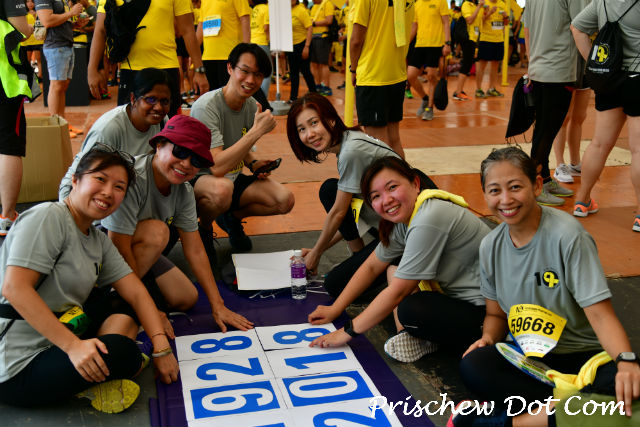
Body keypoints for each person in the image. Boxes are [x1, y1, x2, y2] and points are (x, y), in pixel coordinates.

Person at [456, 146, 640, 426]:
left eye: (515, 187)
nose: (505, 199)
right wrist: (489, 339)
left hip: (586, 359)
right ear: (485, 195)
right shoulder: (490, 246)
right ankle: (569, 412)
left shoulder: (568, 236)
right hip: (534, 362)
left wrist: (625, 361)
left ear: (537, 185)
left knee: (627, 387)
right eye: (494, 190)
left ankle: (516, 420)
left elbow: (600, 315)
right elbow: (495, 314)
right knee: (475, 365)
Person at [0, 146, 180, 411]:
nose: (108, 192)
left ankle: (91, 369)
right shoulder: (48, 217)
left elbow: (135, 292)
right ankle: (90, 373)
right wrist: (74, 347)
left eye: (119, 187)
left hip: (58, 333)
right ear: (75, 180)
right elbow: (15, 288)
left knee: (128, 304)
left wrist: (161, 346)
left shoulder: (97, 239)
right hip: (17, 366)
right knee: (124, 352)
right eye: (100, 179)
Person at [308, 156, 489, 364]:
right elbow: (372, 266)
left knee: (410, 310)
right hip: (460, 297)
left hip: (489, 313)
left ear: (415, 183)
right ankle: (414, 336)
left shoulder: (429, 217)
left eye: (392, 187)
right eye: (376, 196)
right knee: (393, 270)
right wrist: (336, 308)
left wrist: (346, 332)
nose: (386, 200)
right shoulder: (407, 219)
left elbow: (399, 292)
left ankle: (427, 336)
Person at [100, 115, 252, 333]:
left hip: (140, 250)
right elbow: (119, 247)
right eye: (180, 152)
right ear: (159, 145)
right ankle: (112, 297)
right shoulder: (132, 178)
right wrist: (149, 309)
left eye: (196, 160)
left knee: (186, 297)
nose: (186, 164)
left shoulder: (184, 190)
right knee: (158, 232)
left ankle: (131, 297)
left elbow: (195, 249)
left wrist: (218, 305)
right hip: (101, 249)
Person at [287, 93, 437, 298]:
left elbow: (339, 213)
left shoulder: (351, 151)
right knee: (330, 189)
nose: (309, 134)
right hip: (390, 221)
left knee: (335, 284)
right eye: (301, 129)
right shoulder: (348, 142)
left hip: (409, 231)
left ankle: (377, 269)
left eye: (314, 123)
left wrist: (316, 254)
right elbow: (352, 216)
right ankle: (360, 257)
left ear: (330, 119)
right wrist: (316, 250)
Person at [190, 43, 294, 253]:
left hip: (232, 179)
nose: (250, 80)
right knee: (222, 190)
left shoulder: (250, 105)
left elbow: (240, 145)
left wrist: (253, 163)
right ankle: (205, 228)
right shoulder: (207, 107)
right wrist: (256, 131)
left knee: (284, 200)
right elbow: (217, 167)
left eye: (258, 75)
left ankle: (229, 217)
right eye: (244, 71)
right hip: (200, 182)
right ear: (230, 68)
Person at [571, 0, 640, 232]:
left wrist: (596, 63)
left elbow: (577, 27)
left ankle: (582, 201)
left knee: (599, 144)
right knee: (638, 149)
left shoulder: (602, 0)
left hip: (608, 79)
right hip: (637, 79)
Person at [59, 68, 171, 200]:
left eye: (164, 101)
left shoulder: (162, 121)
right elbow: (81, 174)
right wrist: (69, 208)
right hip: (101, 196)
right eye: (150, 99)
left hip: (133, 193)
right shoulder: (110, 128)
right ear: (133, 99)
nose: (158, 107)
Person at [88, 0, 209, 117]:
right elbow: (101, 31)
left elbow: (187, 30)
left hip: (166, 70)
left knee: (169, 127)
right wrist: (92, 69)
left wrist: (199, 70)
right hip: (130, 72)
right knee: (128, 126)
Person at [523, 0, 587, 206]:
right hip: (559, 69)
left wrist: (531, 63)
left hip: (539, 67)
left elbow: (526, 29)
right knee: (547, 130)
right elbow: (582, 26)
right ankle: (535, 185)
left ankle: (544, 179)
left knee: (543, 128)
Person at [350, 0, 415, 158]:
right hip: (396, 73)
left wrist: (353, 68)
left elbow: (356, 40)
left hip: (373, 75)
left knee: (377, 144)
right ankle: (402, 174)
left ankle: (389, 174)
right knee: (394, 139)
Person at [0, 0, 33, 237]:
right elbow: (22, 29)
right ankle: (7, 215)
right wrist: (30, 26)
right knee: (8, 144)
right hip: (5, 79)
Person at [36, 0, 89, 136]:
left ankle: (62, 124)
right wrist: (71, 13)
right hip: (55, 46)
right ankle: (56, 127)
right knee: (56, 86)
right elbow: (47, 20)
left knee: (62, 86)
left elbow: (60, 21)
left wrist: (75, 25)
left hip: (66, 44)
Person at [408, 0, 451, 121]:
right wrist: (405, 45)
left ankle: (430, 108)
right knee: (410, 76)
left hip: (435, 45)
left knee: (431, 76)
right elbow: (414, 26)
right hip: (420, 45)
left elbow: (446, 23)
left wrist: (447, 43)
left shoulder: (441, 2)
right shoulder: (417, 4)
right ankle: (425, 98)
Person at [551, 57, 589, 184]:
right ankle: (559, 164)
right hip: (566, 65)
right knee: (563, 117)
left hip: (585, 65)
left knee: (579, 116)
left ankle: (575, 164)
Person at [452, 0, 484, 101]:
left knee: (468, 64)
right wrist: (479, 7)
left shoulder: (476, 5)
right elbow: (469, 20)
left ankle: (459, 90)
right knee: (466, 64)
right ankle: (458, 92)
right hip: (468, 38)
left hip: (475, 39)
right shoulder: (466, 4)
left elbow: (480, 21)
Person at [474, 0, 506, 98]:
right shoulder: (484, 4)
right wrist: (490, 13)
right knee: (482, 66)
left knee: (495, 66)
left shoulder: (502, 4)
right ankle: (478, 90)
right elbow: (480, 21)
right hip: (486, 39)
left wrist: (506, 17)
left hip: (499, 40)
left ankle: (491, 89)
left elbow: (506, 23)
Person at [287, 0, 316, 103]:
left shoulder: (301, 10)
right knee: (293, 73)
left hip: (303, 44)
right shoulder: (287, 11)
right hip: (291, 46)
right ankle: (293, 98)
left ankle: (314, 94)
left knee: (305, 71)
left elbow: (310, 28)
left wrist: (306, 46)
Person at [310, 0, 334, 96]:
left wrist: (314, 23)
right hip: (313, 37)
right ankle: (317, 85)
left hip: (322, 37)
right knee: (314, 63)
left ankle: (326, 87)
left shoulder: (327, 3)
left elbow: (329, 20)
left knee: (323, 63)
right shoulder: (313, 7)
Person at [250, 0, 271, 101]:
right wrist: (270, 42)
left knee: (255, 72)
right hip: (262, 42)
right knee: (266, 72)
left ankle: (255, 99)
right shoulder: (266, 9)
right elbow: (266, 28)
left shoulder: (254, 9)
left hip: (252, 41)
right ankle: (263, 99)